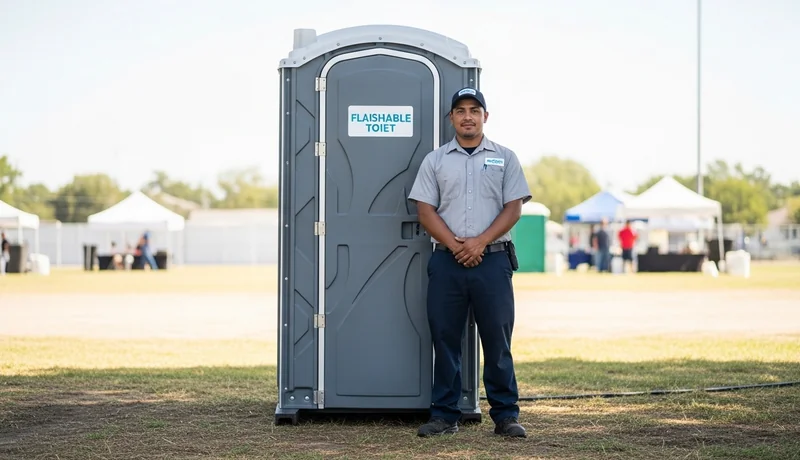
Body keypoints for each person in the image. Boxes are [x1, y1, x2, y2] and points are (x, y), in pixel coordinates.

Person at [408, 87, 531, 438]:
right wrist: (456, 245)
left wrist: (480, 242)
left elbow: (514, 208)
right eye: (460, 110)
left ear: (485, 117)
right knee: (445, 339)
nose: (467, 116)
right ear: (451, 118)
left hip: (492, 262)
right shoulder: (435, 161)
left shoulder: (505, 158)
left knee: (497, 339)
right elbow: (424, 209)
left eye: (474, 110)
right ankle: (445, 415)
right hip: (447, 262)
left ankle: (506, 415)